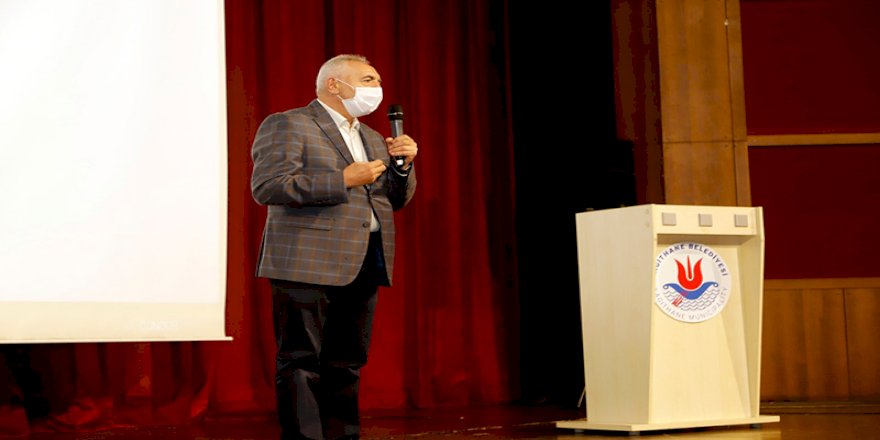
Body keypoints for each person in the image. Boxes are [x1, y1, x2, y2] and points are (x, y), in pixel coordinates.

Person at [250, 54, 417, 440]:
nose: (377, 88)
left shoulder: (372, 137)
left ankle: (344, 435)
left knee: (347, 361)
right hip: (306, 261)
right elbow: (268, 186)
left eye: (378, 81)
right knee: (301, 361)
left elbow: (393, 199)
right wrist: (341, 179)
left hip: (364, 257)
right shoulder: (289, 123)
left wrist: (402, 166)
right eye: (368, 79)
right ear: (334, 84)